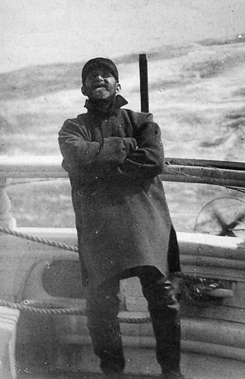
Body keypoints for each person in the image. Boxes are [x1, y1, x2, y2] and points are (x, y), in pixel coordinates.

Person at [58, 57, 182, 379]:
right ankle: (112, 372)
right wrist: (124, 147)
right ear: (83, 87)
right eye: (92, 75)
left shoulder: (142, 122)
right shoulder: (72, 128)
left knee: (162, 295)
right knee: (100, 305)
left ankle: (171, 371)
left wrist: (98, 168)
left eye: (106, 74)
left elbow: (153, 159)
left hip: (144, 221)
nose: (99, 78)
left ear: (117, 85)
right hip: (100, 226)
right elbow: (76, 155)